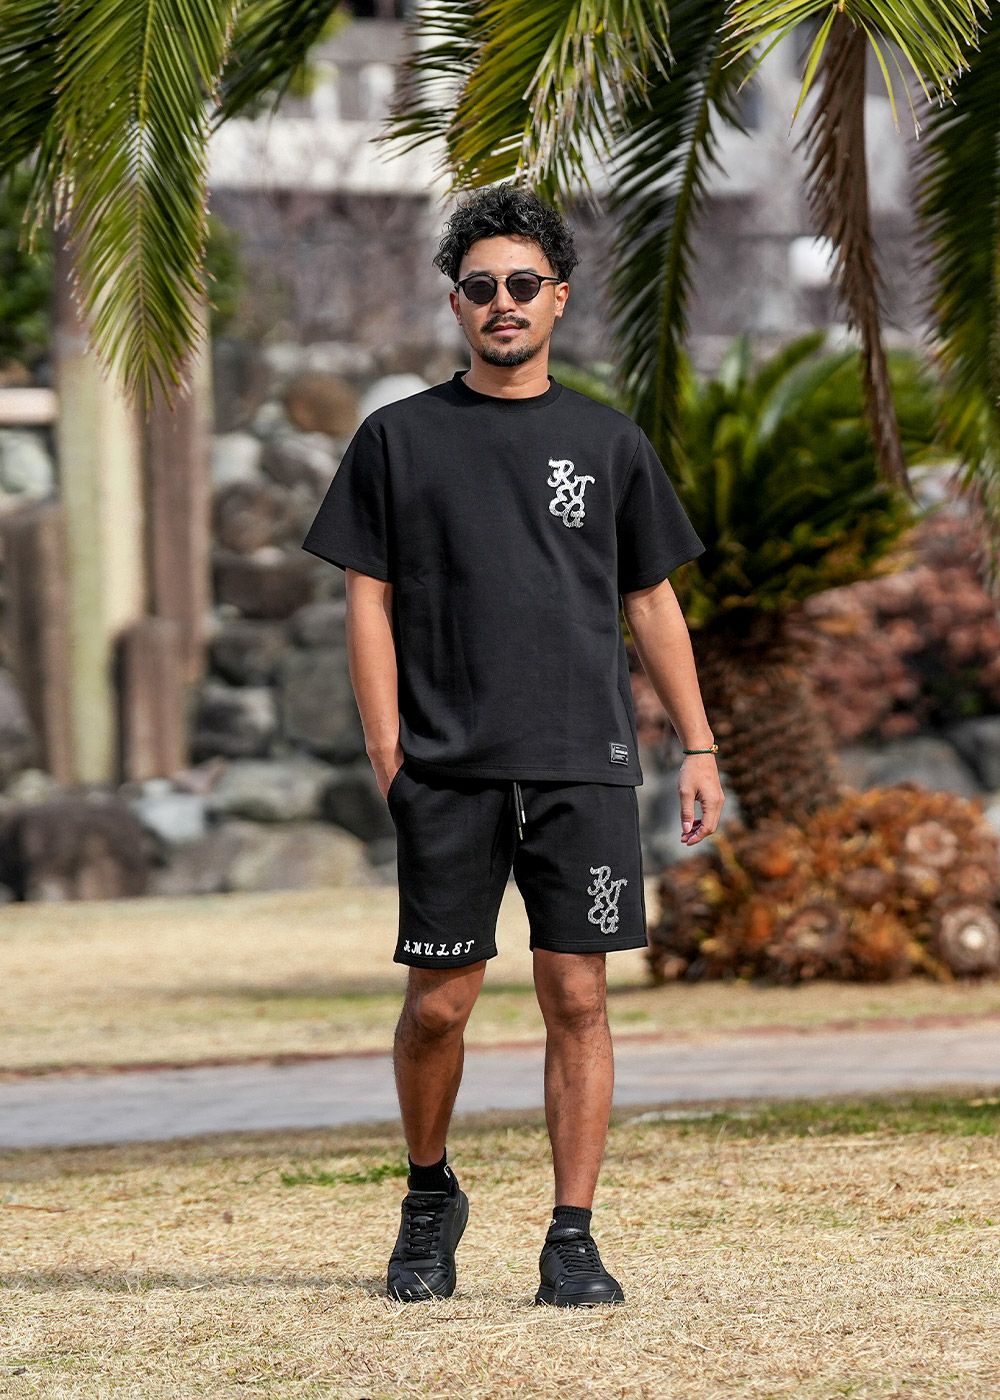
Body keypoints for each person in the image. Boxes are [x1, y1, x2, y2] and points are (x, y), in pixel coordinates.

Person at [301, 182, 725, 1308]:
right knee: (440, 1002)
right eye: (481, 285)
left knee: (577, 996)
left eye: (523, 284)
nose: (503, 301)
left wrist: (698, 745)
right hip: (446, 765)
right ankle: (428, 1192)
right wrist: (388, 753)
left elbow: (650, 602)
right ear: (456, 303)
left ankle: (571, 1235)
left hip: (584, 761)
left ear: (558, 298)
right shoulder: (397, 439)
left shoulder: (607, 441)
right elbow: (366, 600)